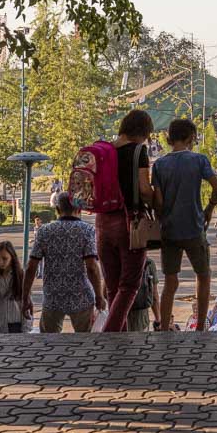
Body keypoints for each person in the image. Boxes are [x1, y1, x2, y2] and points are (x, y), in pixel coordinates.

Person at [152, 118, 217, 333]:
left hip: (169, 231)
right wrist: (209, 209)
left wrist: (161, 218)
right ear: (191, 137)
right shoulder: (199, 160)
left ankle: (164, 328)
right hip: (194, 228)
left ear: (169, 138)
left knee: (170, 282)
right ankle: (200, 328)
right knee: (203, 276)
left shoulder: (159, 165)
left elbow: (158, 202)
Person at [97, 109, 155, 332]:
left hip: (102, 222)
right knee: (129, 286)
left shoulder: (104, 151)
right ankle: (111, 335)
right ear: (142, 131)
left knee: (113, 287)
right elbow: (145, 190)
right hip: (129, 222)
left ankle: (119, 340)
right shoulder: (138, 151)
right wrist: (158, 203)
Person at [23, 192, 106, 333]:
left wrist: (25, 297)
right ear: (79, 209)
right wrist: (99, 296)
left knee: (49, 342)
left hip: (52, 297)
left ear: (57, 209)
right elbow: (92, 267)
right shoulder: (87, 231)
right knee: (85, 340)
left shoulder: (44, 231)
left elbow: (31, 267)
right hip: (82, 297)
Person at [0, 242, 31, 333]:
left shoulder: (21, 277)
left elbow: (26, 304)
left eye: (5, 258)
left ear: (12, 257)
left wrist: (26, 329)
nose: (1, 262)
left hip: (15, 326)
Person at [127, 255, 160, 332]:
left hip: (119, 318)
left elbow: (105, 292)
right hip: (141, 320)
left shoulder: (116, 260)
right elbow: (154, 295)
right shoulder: (148, 263)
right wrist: (158, 319)